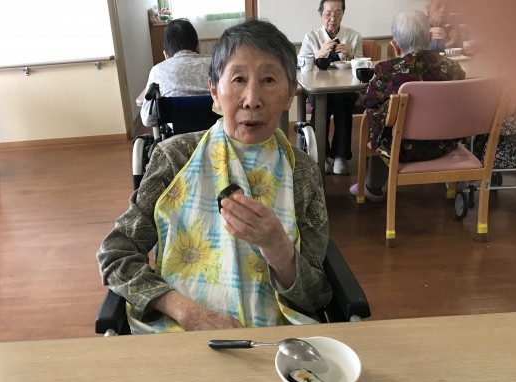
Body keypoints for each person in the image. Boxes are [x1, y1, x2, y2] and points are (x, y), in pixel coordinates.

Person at [98, 19, 332, 334]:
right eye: (238, 79)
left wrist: (277, 245)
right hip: (179, 334)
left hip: (274, 342)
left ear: (291, 92)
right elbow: (116, 252)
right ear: (214, 92)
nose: (252, 99)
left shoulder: (301, 172)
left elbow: (316, 295)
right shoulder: (174, 158)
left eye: (268, 79)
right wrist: (187, 312)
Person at [350, 9, 466, 201]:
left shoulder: (388, 71)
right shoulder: (452, 68)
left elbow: (367, 100)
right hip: (444, 144)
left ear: (394, 46)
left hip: (401, 150)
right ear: (429, 38)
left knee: (378, 113)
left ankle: (373, 187)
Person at [299, 0, 363, 175]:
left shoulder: (354, 36)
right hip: (319, 88)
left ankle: (341, 156)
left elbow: (362, 66)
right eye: (328, 14)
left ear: (343, 13)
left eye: (337, 13)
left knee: (343, 99)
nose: (333, 19)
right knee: (322, 101)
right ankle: (321, 155)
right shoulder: (311, 37)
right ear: (321, 15)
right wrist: (317, 54)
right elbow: (300, 66)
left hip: (345, 89)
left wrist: (352, 55)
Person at [140, 18, 211, 128]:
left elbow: (148, 119)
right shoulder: (216, 63)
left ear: (166, 55)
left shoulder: (157, 70)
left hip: (178, 136)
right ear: (198, 45)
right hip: (217, 134)